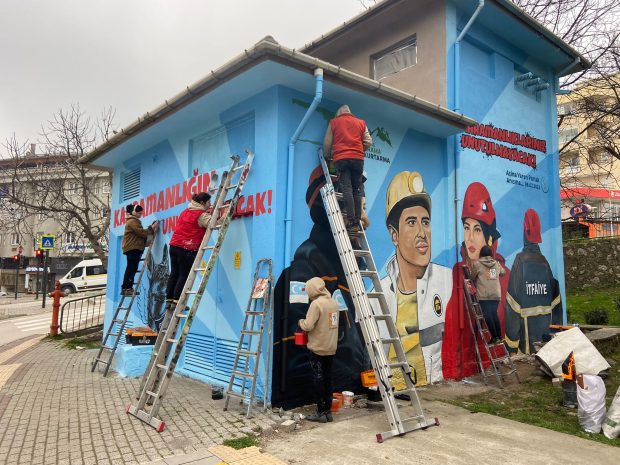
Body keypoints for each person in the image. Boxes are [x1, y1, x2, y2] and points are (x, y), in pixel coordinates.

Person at [375, 171, 452, 386]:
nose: (422, 232)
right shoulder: (377, 294)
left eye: (425, 222)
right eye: (411, 222)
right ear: (394, 235)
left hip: (431, 391)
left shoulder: (448, 282)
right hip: (390, 395)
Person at [442, 182, 510, 380]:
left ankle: (495, 340)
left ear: (489, 238)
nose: (470, 237)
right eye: (466, 228)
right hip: (460, 367)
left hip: (483, 299)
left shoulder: (481, 269)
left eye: (477, 229)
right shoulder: (457, 273)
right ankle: (496, 338)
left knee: (489, 318)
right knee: (492, 319)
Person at [505, 209, 562, 354]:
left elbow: (512, 304)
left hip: (526, 343)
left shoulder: (520, 261)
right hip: (545, 338)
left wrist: (511, 346)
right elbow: (556, 301)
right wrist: (557, 331)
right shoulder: (545, 263)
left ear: (524, 233)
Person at [323, 105, 372, 233]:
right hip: (358, 160)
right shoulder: (361, 123)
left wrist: (327, 155)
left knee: (347, 189)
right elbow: (368, 142)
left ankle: (350, 221)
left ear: (339, 113)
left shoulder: (334, 122)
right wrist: (359, 150)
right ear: (350, 112)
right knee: (357, 190)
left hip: (342, 159)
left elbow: (327, 143)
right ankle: (356, 221)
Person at [298, 277, 340, 423]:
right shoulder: (333, 303)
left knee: (318, 378)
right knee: (328, 379)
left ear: (312, 289)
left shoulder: (316, 304)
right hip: (331, 347)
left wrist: (300, 322)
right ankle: (328, 412)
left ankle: (320, 412)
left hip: (318, 348)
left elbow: (308, 326)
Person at [166, 192, 212, 302]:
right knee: (184, 274)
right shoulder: (201, 215)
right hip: (186, 248)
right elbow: (212, 223)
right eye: (209, 202)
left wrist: (208, 213)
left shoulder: (186, 211)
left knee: (174, 273)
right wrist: (223, 215)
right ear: (202, 202)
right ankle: (177, 300)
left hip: (174, 245)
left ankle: (169, 298)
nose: (210, 204)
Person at [470, 245, 505, 343]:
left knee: (488, 316)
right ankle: (499, 337)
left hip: (484, 295)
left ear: (481, 254)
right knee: (494, 314)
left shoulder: (478, 264)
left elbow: (472, 276)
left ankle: (495, 337)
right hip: (495, 294)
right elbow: (503, 273)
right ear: (490, 254)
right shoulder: (496, 263)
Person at [121, 204, 158, 295]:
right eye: (139, 213)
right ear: (134, 212)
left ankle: (126, 288)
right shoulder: (133, 221)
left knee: (131, 268)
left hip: (133, 247)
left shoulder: (132, 221)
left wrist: (149, 230)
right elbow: (141, 233)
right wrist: (151, 228)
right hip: (133, 248)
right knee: (132, 268)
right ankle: (127, 288)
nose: (141, 214)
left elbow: (140, 234)